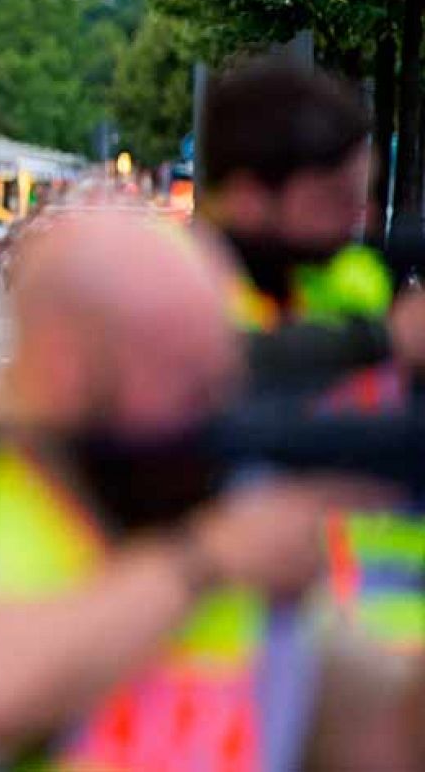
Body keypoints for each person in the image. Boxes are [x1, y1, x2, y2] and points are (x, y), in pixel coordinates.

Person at [0, 212, 418, 771]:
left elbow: (374, 734)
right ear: (65, 364)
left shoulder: (194, 495)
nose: (214, 411)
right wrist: (201, 561)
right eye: (185, 381)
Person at [196, 58, 425, 655]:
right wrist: (385, 341)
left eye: (362, 194)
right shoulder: (172, 284)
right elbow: (211, 381)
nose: (359, 217)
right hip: (235, 648)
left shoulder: (352, 279)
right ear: (249, 196)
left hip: (380, 649)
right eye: (333, 198)